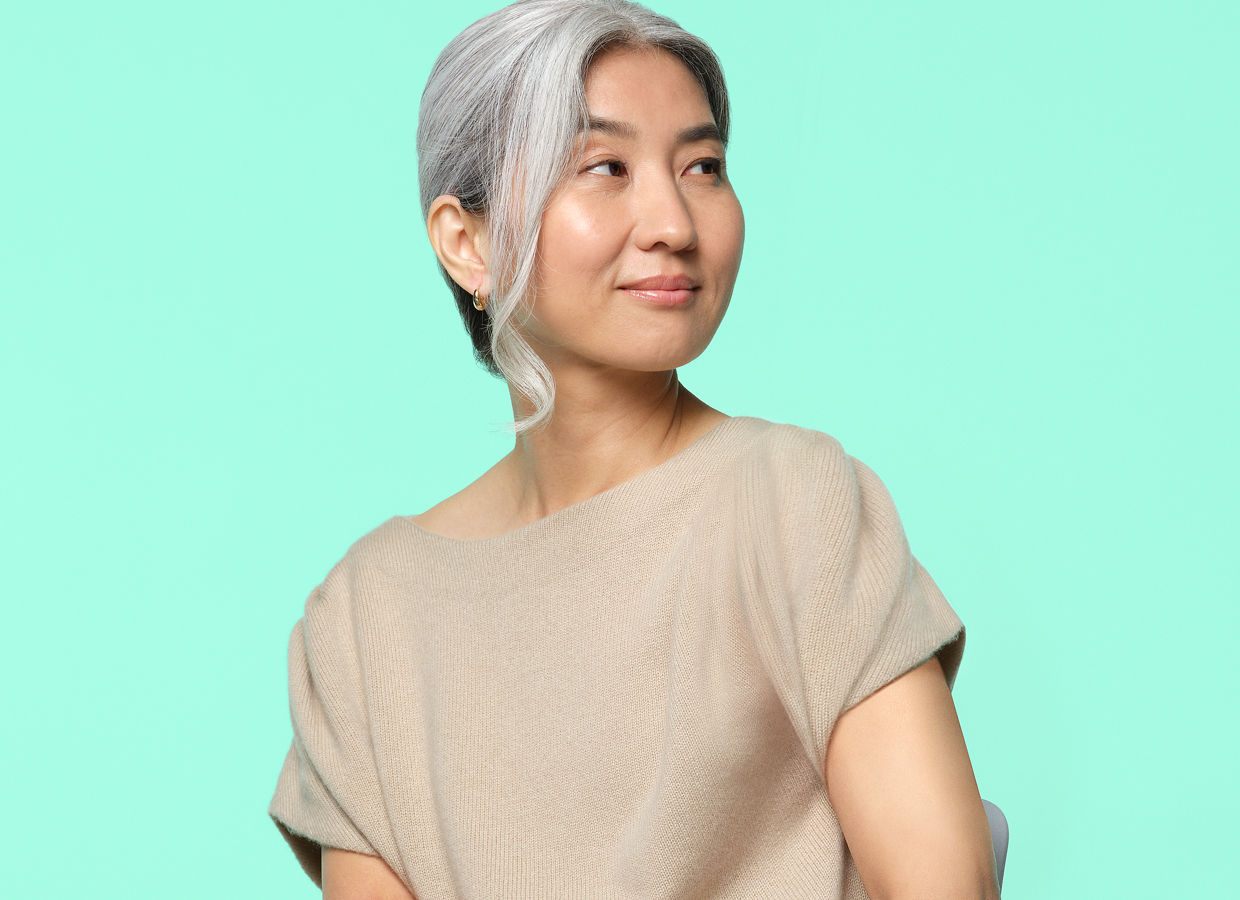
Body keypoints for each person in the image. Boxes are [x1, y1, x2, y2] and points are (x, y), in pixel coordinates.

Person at [268, 1, 1000, 897]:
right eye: (604, 167)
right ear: (469, 242)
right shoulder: (364, 616)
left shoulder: (792, 501)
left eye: (703, 167)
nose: (672, 222)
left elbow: (945, 886)